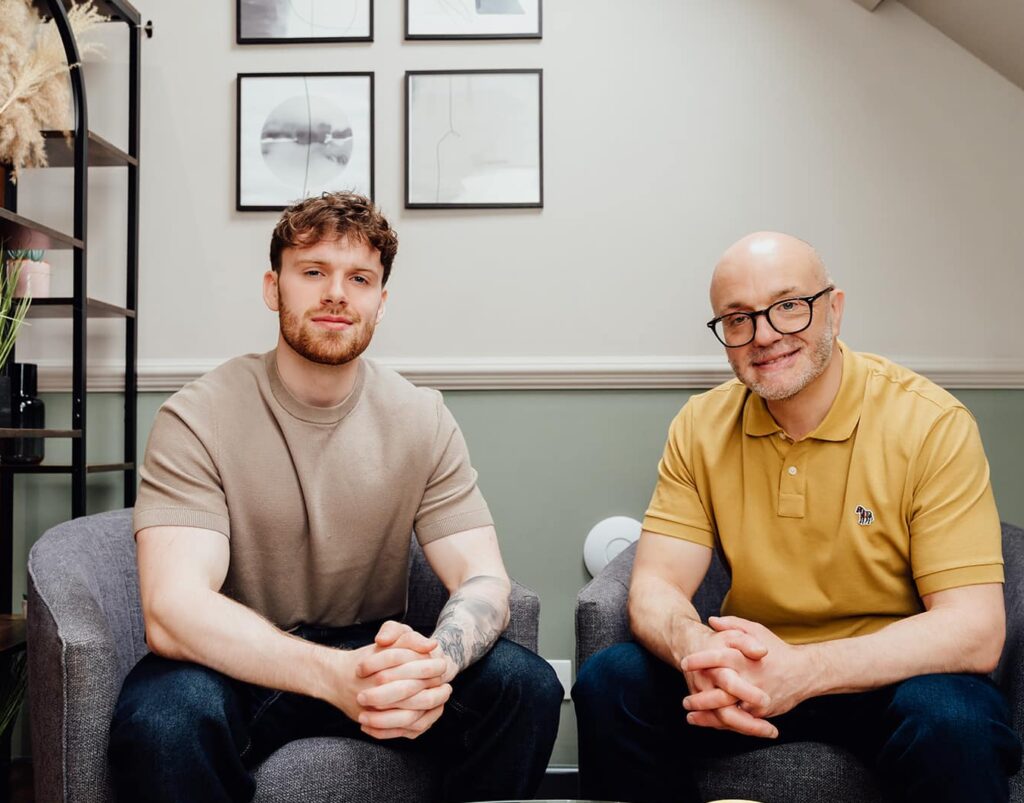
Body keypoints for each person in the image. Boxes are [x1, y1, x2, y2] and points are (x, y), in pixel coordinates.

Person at [109, 192, 562, 803]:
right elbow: (173, 608)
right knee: (161, 722)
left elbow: (483, 579)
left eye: (359, 278)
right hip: (235, 660)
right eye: (313, 271)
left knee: (525, 686)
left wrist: (436, 664)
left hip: (370, 649)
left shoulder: (421, 418)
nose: (336, 294)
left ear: (381, 301)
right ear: (273, 288)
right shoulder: (197, 416)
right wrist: (332, 676)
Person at [573, 232, 1022, 803]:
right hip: (746, 676)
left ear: (834, 308)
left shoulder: (931, 423)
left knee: (954, 718)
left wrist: (804, 670)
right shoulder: (700, 426)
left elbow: (975, 630)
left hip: (888, 680)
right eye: (738, 318)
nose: (764, 335)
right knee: (611, 681)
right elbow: (655, 586)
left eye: (788, 306)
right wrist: (698, 650)